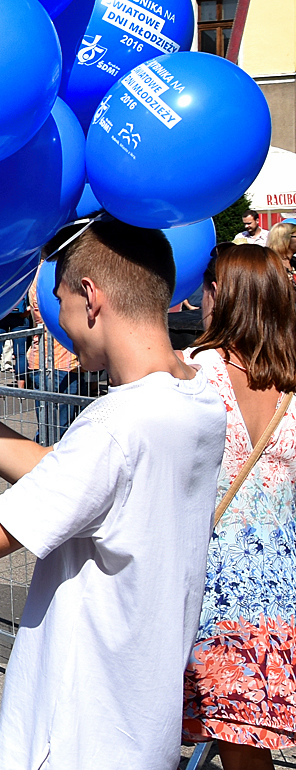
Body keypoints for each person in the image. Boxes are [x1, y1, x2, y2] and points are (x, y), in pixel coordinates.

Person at [0, 216, 226, 769]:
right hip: (137, 727)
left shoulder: (118, 424)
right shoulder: (198, 398)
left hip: (77, 736)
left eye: (59, 300)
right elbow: (60, 474)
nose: (56, 320)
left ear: (90, 296)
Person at [182, 244, 296, 768]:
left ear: (218, 294)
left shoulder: (193, 373)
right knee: (252, 750)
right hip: (281, 594)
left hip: (211, 591)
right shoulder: (291, 381)